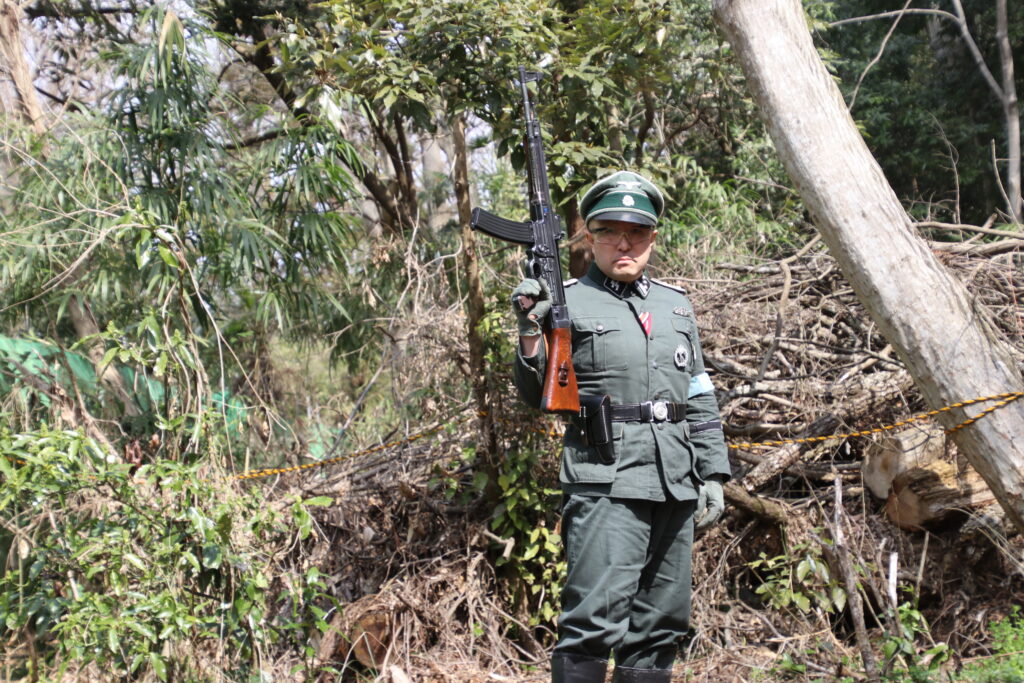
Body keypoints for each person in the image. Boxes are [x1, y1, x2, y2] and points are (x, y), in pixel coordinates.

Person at [511, 171, 732, 683]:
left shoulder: (676, 306)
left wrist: (713, 473)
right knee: (592, 623)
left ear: (653, 237)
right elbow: (535, 393)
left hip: (675, 482)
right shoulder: (567, 301)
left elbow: (698, 393)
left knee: (660, 628)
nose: (624, 243)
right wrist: (529, 330)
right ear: (590, 237)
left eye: (636, 232)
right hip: (606, 481)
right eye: (610, 231)